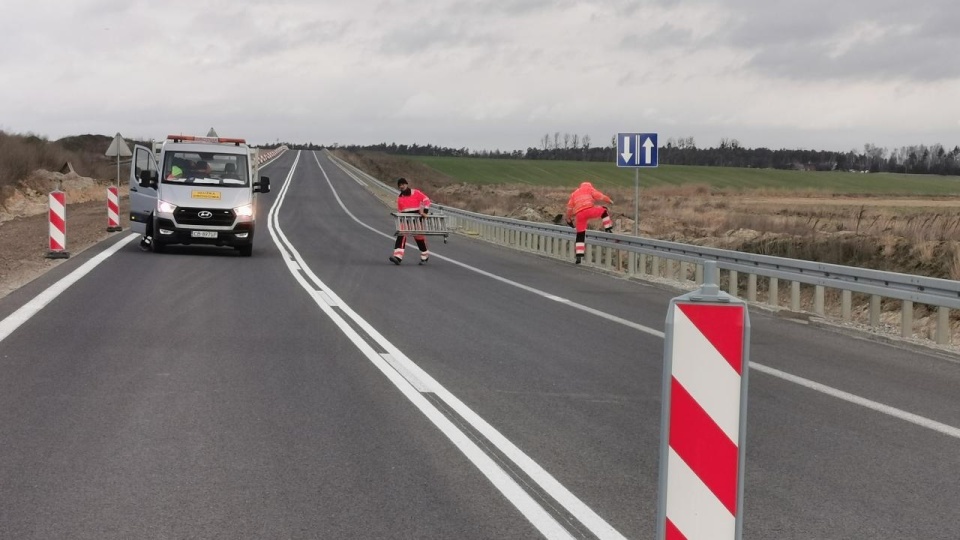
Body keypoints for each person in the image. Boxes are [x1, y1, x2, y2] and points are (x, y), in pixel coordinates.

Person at [564, 181, 614, 264]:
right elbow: (600, 196)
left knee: (580, 235)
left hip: (579, 215)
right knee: (603, 211)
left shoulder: (574, 194)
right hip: (589, 210)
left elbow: (569, 208)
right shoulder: (589, 189)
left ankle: (579, 256)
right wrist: (609, 201)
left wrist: (568, 218)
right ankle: (608, 228)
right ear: (589, 185)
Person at [390, 177, 431, 265]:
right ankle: (398, 257)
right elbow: (400, 210)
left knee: (419, 238)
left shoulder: (415, 192)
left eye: (403, 184)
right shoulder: (400, 197)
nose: (401, 186)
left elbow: (426, 200)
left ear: (406, 184)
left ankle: (425, 255)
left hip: (417, 219)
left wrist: (425, 211)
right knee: (401, 234)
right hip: (405, 219)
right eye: (400, 185)